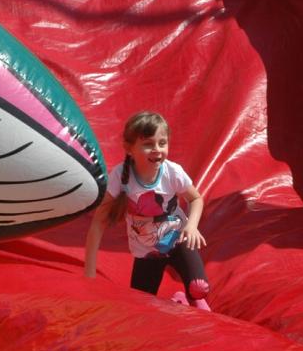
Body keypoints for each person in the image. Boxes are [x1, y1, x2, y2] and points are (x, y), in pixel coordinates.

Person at [84, 111, 211, 310]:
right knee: (140, 306)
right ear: (129, 149)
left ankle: (191, 298)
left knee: (199, 287)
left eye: (162, 143)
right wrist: (89, 273)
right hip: (148, 252)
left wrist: (192, 226)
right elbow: (98, 221)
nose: (157, 150)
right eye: (148, 144)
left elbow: (195, 198)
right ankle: (179, 301)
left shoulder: (172, 172)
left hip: (176, 239)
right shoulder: (120, 177)